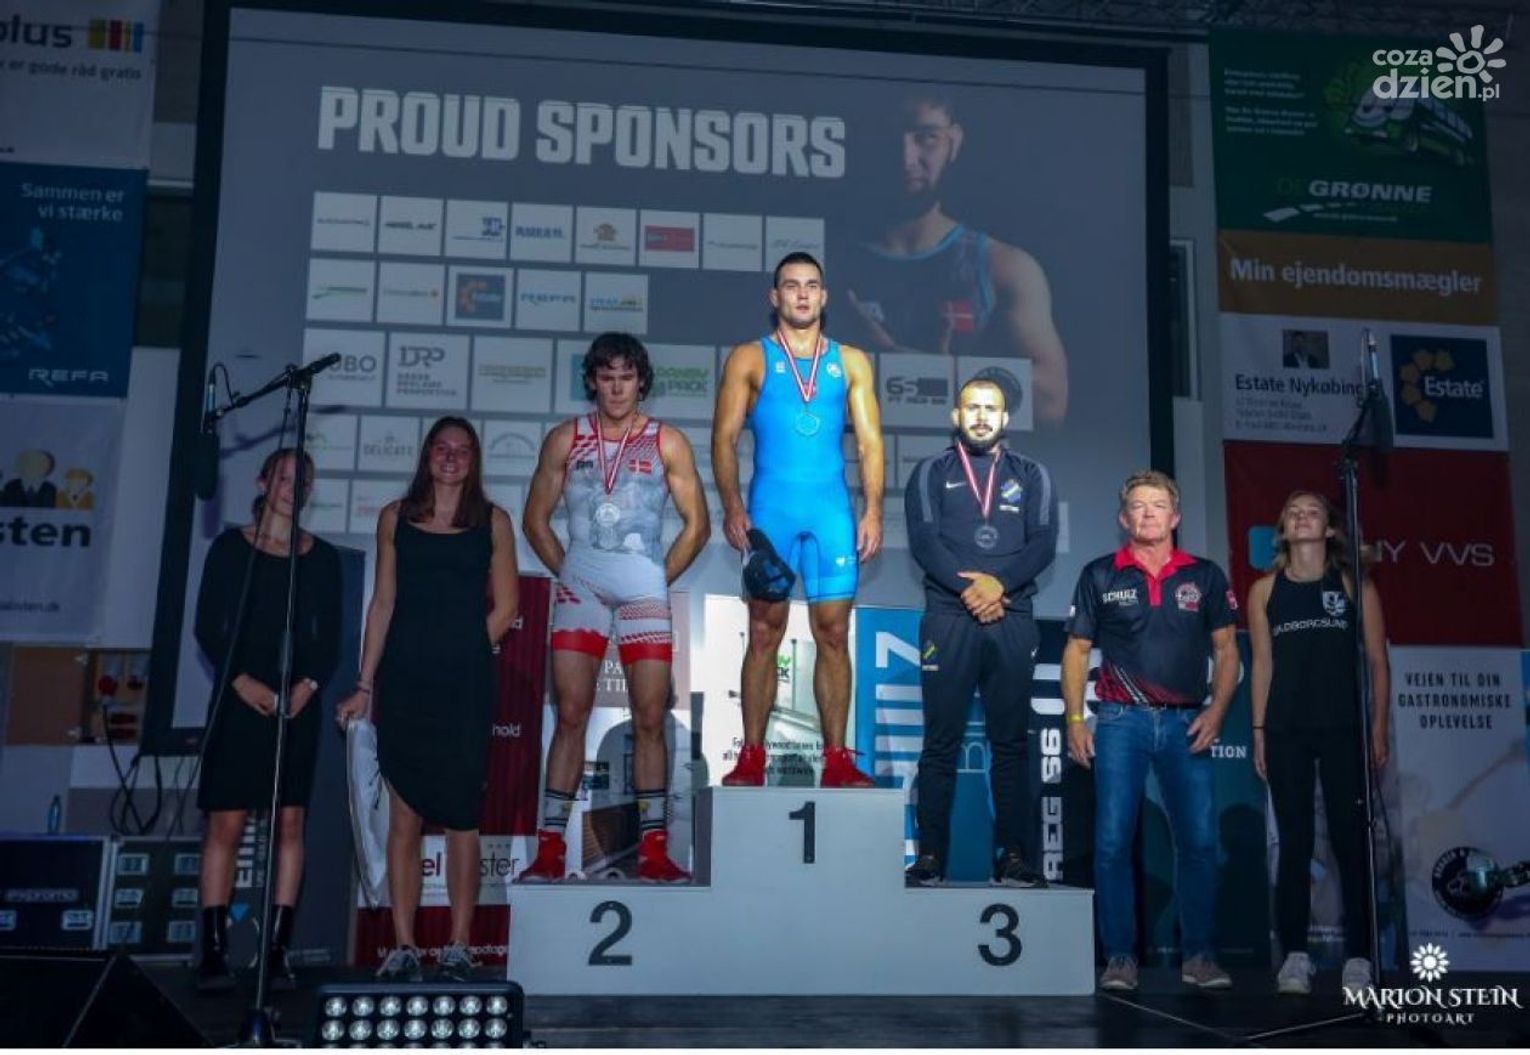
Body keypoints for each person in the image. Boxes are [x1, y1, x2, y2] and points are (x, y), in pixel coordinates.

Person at [517, 333, 710, 884]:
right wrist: (573, 573)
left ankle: (653, 852)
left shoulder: (667, 441)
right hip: (582, 583)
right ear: (593, 382)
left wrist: (653, 580)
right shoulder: (565, 439)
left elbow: (698, 526)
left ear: (641, 382)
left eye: (627, 377)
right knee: (570, 715)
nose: (618, 388)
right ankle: (550, 851)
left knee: (649, 717)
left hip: (642, 583)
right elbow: (534, 519)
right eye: (607, 377)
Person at [337, 418, 519, 982]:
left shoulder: (493, 521)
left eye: (462, 450)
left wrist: (461, 651)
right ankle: (404, 945)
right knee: (404, 816)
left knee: (463, 816)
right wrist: (365, 684)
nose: (451, 457)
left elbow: (507, 608)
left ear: (474, 460)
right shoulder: (394, 518)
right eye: (442, 448)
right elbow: (383, 604)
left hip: (464, 686)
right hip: (404, 683)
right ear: (427, 455)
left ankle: (460, 945)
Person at [1061, 470, 1240, 992]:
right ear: (1123, 518)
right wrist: (1075, 719)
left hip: (1188, 721)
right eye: (1138, 506)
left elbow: (1227, 650)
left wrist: (1218, 711)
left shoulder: (1205, 575)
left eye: (1158, 505)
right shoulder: (1100, 574)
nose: (1148, 514)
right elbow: (1076, 651)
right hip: (1121, 721)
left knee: (1199, 843)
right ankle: (1120, 958)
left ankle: (1200, 957)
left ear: (1175, 516)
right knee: (1112, 843)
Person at [712, 252, 884, 788]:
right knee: (764, 631)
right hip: (772, 512)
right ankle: (751, 757)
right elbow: (724, 438)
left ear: (825, 296)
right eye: (792, 286)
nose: (803, 294)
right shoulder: (750, 357)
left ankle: (837, 760)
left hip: (830, 512)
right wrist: (733, 507)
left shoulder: (851, 361)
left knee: (834, 633)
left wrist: (874, 510)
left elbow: (871, 442)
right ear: (775, 297)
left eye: (812, 286)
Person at [192, 448, 341, 992]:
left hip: (297, 702)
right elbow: (208, 626)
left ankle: (276, 953)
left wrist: (308, 686)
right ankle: (213, 953)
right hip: (239, 698)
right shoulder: (231, 549)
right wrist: (240, 682)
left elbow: (329, 638)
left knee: (290, 824)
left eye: (303, 480)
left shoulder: (321, 558)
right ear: (262, 482)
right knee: (226, 825)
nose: (292, 487)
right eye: (283, 477)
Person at [902, 377, 1058, 887]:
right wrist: (972, 590)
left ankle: (1013, 858)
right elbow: (924, 542)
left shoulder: (1033, 474)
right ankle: (930, 858)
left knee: (1010, 744)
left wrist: (999, 585)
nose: (983, 416)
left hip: (1012, 614)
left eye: (992, 408)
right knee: (940, 742)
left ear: (1005, 419)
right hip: (949, 615)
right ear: (956, 415)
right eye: (973, 407)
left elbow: (1043, 543)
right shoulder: (931, 471)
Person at [837, 90, 1068, 425]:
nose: (906, 158)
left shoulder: (1002, 267)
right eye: (888, 137)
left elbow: (1050, 401)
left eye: (927, 137)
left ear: (954, 142)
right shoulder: (821, 265)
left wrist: (923, 373)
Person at [1247, 491, 1389, 997]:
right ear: (1282, 530)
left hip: (1343, 728)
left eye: (1312, 511)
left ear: (1329, 529)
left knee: (1351, 842)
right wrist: (1259, 731)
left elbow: (1377, 661)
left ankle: (1359, 958)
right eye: (1293, 511)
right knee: (1294, 843)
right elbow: (1262, 664)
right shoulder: (1264, 590)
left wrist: (1377, 728)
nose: (1302, 516)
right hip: (1286, 730)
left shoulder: (1353, 583)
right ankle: (1295, 957)